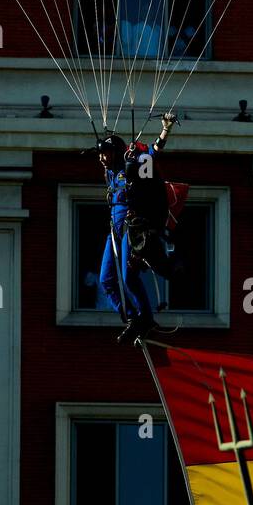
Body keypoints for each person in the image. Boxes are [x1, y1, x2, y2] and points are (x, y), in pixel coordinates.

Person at [97, 112, 176, 344]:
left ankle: (147, 318)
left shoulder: (134, 164)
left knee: (128, 276)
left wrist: (165, 131)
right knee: (106, 280)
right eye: (100, 154)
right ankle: (133, 317)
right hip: (114, 230)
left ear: (116, 152)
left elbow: (154, 153)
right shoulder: (109, 173)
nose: (102, 158)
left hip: (131, 229)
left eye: (106, 153)